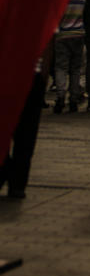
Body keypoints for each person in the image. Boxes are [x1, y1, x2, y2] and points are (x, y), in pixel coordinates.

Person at [0, 40, 51, 198]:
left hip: (13, 72)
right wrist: (44, 75)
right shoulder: (40, 15)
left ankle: (8, 173)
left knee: (14, 129)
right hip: (30, 74)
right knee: (26, 133)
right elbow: (49, 43)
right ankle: (17, 182)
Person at [53, 0, 86, 113]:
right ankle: (73, 98)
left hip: (63, 35)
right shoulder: (82, 0)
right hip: (78, 34)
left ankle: (60, 96)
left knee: (61, 67)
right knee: (75, 68)